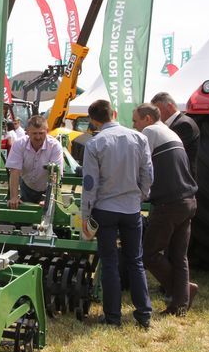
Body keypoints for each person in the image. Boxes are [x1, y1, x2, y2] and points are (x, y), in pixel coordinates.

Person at [81, 99, 153, 328]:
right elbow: (148, 174)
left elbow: (90, 184)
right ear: (113, 113)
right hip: (132, 209)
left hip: (105, 209)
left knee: (110, 262)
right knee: (136, 261)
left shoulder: (94, 144)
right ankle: (144, 314)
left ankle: (112, 316)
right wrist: (139, 195)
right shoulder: (139, 138)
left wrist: (85, 214)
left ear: (93, 121)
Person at [132, 103, 199, 316]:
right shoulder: (171, 133)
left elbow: (141, 165)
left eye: (136, 121)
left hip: (168, 204)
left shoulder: (150, 132)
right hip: (188, 200)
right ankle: (179, 304)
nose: (135, 126)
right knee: (180, 256)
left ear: (148, 119)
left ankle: (183, 291)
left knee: (149, 254)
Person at [5, 115, 65, 208]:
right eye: (34, 133)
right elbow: (14, 171)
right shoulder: (19, 144)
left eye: (41, 133)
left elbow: (55, 175)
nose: (38, 137)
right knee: (22, 221)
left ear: (47, 131)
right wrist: (14, 197)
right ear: (27, 132)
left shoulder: (55, 146)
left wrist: (48, 199)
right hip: (26, 186)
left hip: (47, 189)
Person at [150, 92, 199, 178]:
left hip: (182, 178)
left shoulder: (184, 124)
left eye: (158, 110)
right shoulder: (178, 123)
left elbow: (169, 153)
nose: (156, 115)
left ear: (170, 106)